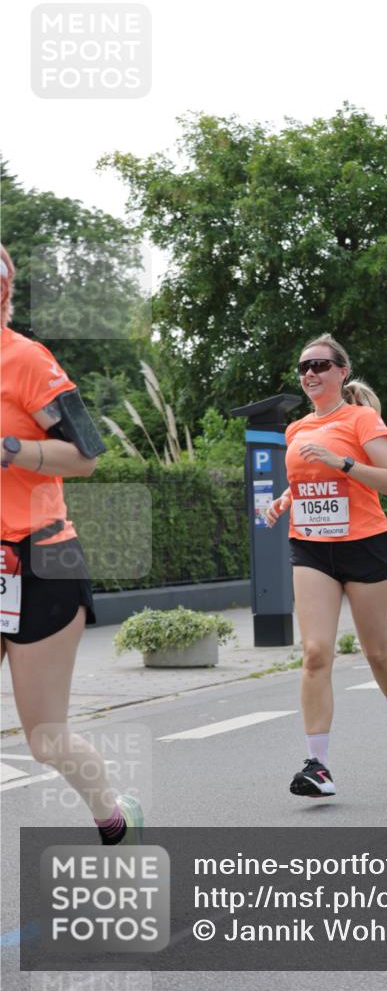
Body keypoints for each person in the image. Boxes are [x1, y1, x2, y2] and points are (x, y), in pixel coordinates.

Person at [0, 243, 142, 844]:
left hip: (42, 557)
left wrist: (11, 450)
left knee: (45, 738)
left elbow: (86, 457)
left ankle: (114, 816)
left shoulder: (28, 360)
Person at [266, 333, 387, 797]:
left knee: (376, 651)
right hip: (311, 548)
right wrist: (286, 499)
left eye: (320, 365)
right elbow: (310, 481)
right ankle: (318, 765)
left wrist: (343, 461)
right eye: (303, 367)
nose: (309, 373)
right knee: (315, 653)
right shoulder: (295, 429)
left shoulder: (362, 419)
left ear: (341, 372)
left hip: (365, 546)